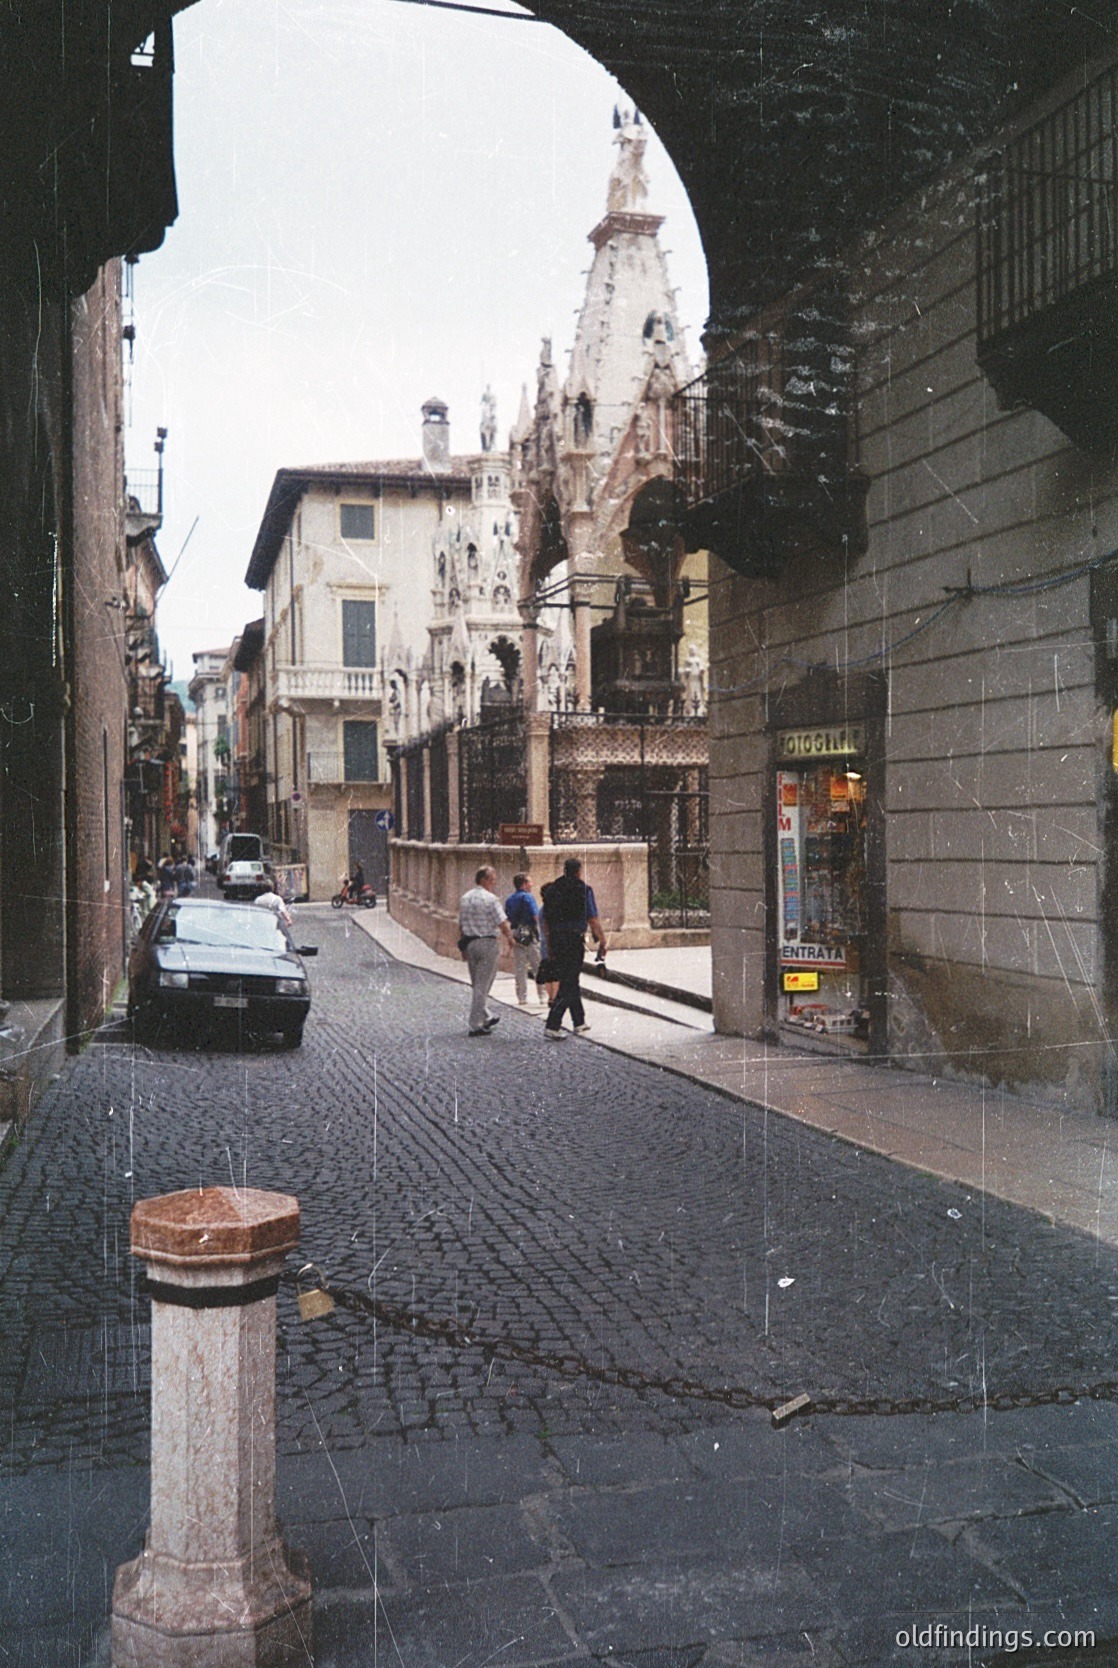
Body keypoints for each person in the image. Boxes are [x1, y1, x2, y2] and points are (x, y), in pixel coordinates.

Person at [541, 856, 606, 1039]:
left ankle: (579, 1021)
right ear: (578, 871)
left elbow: (545, 921)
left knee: (571, 978)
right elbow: (593, 919)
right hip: (573, 939)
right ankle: (553, 1025)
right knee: (569, 981)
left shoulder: (553, 890)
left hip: (556, 939)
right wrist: (602, 940)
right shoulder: (584, 890)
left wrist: (549, 943)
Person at [458, 865, 514, 1036]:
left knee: (477, 983)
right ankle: (475, 1024)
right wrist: (510, 938)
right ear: (484, 880)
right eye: (492, 880)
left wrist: (462, 947)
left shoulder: (465, 898)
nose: (494, 883)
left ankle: (486, 1015)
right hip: (488, 944)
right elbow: (502, 922)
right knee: (483, 985)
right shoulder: (491, 899)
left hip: (470, 943)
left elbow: (461, 923)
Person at [504, 872, 543, 1007]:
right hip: (530, 933)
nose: (531, 884)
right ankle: (542, 995)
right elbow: (535, 916)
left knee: (520, 968)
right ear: (524, 884)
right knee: (537, 965)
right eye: (529, 882)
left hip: (517, 933)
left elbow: (508, 918)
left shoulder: (509, 899)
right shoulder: (528, 897)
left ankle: (522, 997)